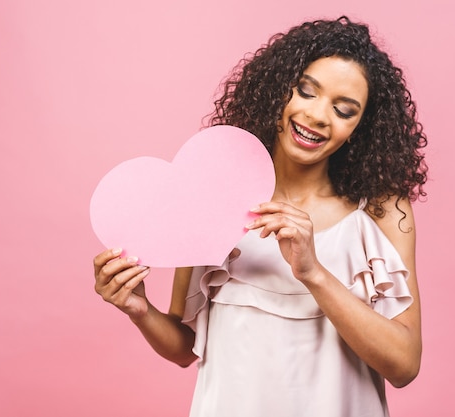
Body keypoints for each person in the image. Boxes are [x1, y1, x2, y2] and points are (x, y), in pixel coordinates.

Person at [93, 16, 427, 417]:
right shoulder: (211, 194)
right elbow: (185, 348)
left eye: (343, 110)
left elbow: (404, 366)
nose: (319, 115)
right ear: (277, 90)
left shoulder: (380, 209)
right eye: (306, 91)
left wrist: (313, 273)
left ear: (359, 128)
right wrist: (140, 310)